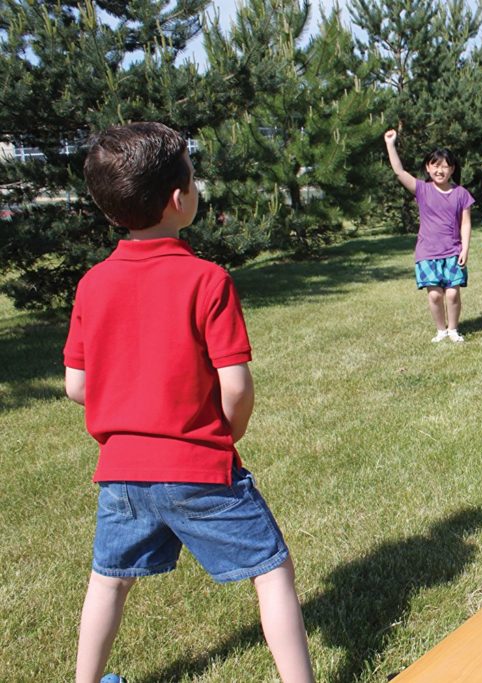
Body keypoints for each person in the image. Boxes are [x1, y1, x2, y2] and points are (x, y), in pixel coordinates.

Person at [64, 122, 314, 683]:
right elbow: (237, 387)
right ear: (181, 200)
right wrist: (230, 431)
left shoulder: (92, 285)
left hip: (121, 474)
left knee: (109, 579)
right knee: (272, 571)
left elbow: (76, 386)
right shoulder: (207, 280)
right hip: (201, 467)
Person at [385, 128, 474, 343]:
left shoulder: (461, 194)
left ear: (452, 169)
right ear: (428, 167)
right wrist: (390, 144)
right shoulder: (422, 189)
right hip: (427, 253)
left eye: (445, 166)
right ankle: (441, 330)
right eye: (435, 165)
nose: (440, 170)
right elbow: (399, 172)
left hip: (453, 251)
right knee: (435, 294)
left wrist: (465, 248)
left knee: (452, 293)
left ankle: (453, 329)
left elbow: (466, 222)